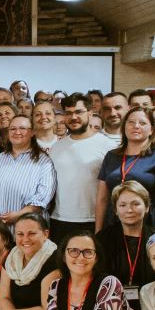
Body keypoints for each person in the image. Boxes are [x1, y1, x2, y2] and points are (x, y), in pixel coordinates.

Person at [49, 93, 114, 247]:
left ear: (90, 114)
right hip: (60, 219)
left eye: (78, 112)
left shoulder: (107, 146)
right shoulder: (57, 147)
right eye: (68, 113)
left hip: (93, 219)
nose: (73, 117)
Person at [96, 107, 155, 234]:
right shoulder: (112, 155)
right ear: (124, 127)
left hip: (146, 223)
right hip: (113, 222)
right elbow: (102, 198)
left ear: (151, 129)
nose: (136, 126)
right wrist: (98, 231)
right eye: (131, 122)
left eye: (142, 123)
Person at [0, 116, 55, 227]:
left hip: (30, 229)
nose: (17, 132)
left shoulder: (44, 162)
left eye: (22, 128)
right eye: (13, 129)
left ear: (32, 132)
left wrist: (19, 215)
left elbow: (42, 199)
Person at [100, 181, 155, 299]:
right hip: (111, 303)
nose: (129, 210)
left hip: (152, 302)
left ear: (147, 207)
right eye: (123, 205)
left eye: (136, 204)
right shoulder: (102, 239)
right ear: (115, 210)